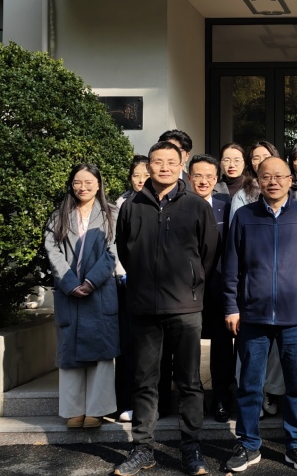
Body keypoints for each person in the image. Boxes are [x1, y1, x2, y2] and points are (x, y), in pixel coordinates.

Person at [115, 141, 220, 476]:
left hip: (185, 308)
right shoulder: (131, 205)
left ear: (181, 165)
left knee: (189, 382)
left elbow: (208, 254)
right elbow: (125, 250)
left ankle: (191, 449)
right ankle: (142, 449)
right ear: (148, 166)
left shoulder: (196, 206)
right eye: (157, 162)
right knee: (145, 381)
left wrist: (190, 284)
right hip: (144, 307)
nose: (164, 167)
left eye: (170, 162)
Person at [223, 157, 297, 473]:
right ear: (258, 180)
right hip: (253, 315)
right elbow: (231, 267)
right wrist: (231, 307)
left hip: (295, 315)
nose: (273, 182)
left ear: (291, 180)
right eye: (266, 176)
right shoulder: (244, 216)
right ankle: (248, 444)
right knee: (249, 385)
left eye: (280, 176)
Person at [44, 163, 121, 430]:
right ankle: (72, 410)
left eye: (89, 182)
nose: (83, 187)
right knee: (70, 355)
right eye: (77, 182)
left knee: (101, 356)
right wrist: (70, 283)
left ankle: (97, 410)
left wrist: (90, 282)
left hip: (100, 292)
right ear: (71, 184)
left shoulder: (112, 214)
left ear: (98, 185)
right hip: (69, 294)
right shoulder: (59, 215)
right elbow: (52, 250)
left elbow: (114, 251)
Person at [189, 155, 234, 423]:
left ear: (216, 179)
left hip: (218, 288)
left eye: (209, 176)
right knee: (188, 347)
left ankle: (220, 399)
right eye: (198, 176)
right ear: (189, 178)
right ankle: (193, 400)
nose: (203, 181)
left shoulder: (225, 208)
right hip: (184, 290)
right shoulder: (178, 206)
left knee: (221, 348)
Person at [115, 155, 149, 423]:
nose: (141, 180)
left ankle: (149, 403)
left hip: (155, 286)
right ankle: (126, 402)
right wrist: (123, 273)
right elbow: (116, 244)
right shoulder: (121, 204)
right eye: (136, 175)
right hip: (126, 284)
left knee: (150, 348)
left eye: (145, 175)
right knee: (128, 345)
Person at [158, 129, 229, 196]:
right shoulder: (152, 181)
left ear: (187, 156)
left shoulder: (205, 186)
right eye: (169, 150)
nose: (173, 155)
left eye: (178, 150)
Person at [230, 140, 280, 220]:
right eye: (256, 158)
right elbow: (236, 225)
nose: (261, 161)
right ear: (250, 163)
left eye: (266, 157)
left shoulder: (287, 188)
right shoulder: (242, 196)